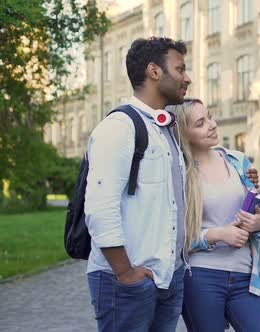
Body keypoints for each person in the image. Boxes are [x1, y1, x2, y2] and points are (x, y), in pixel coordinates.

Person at [84, 37, 192, 331]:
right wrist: (126, 273)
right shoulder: (119, 127)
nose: (187, 78)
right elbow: (99, 208)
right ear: (154, 71)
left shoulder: (165, 128)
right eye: (180, 69)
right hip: (127, 282)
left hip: (168, 276)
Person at [171, 99, 260, 332]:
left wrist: (258, 223)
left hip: (244, 275)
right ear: (183, 133)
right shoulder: (179, 174)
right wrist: (218, 234)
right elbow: (174, 239)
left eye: (210, 116)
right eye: (200, 123)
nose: (212, 124)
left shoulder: (238, 161)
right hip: (200, 278)